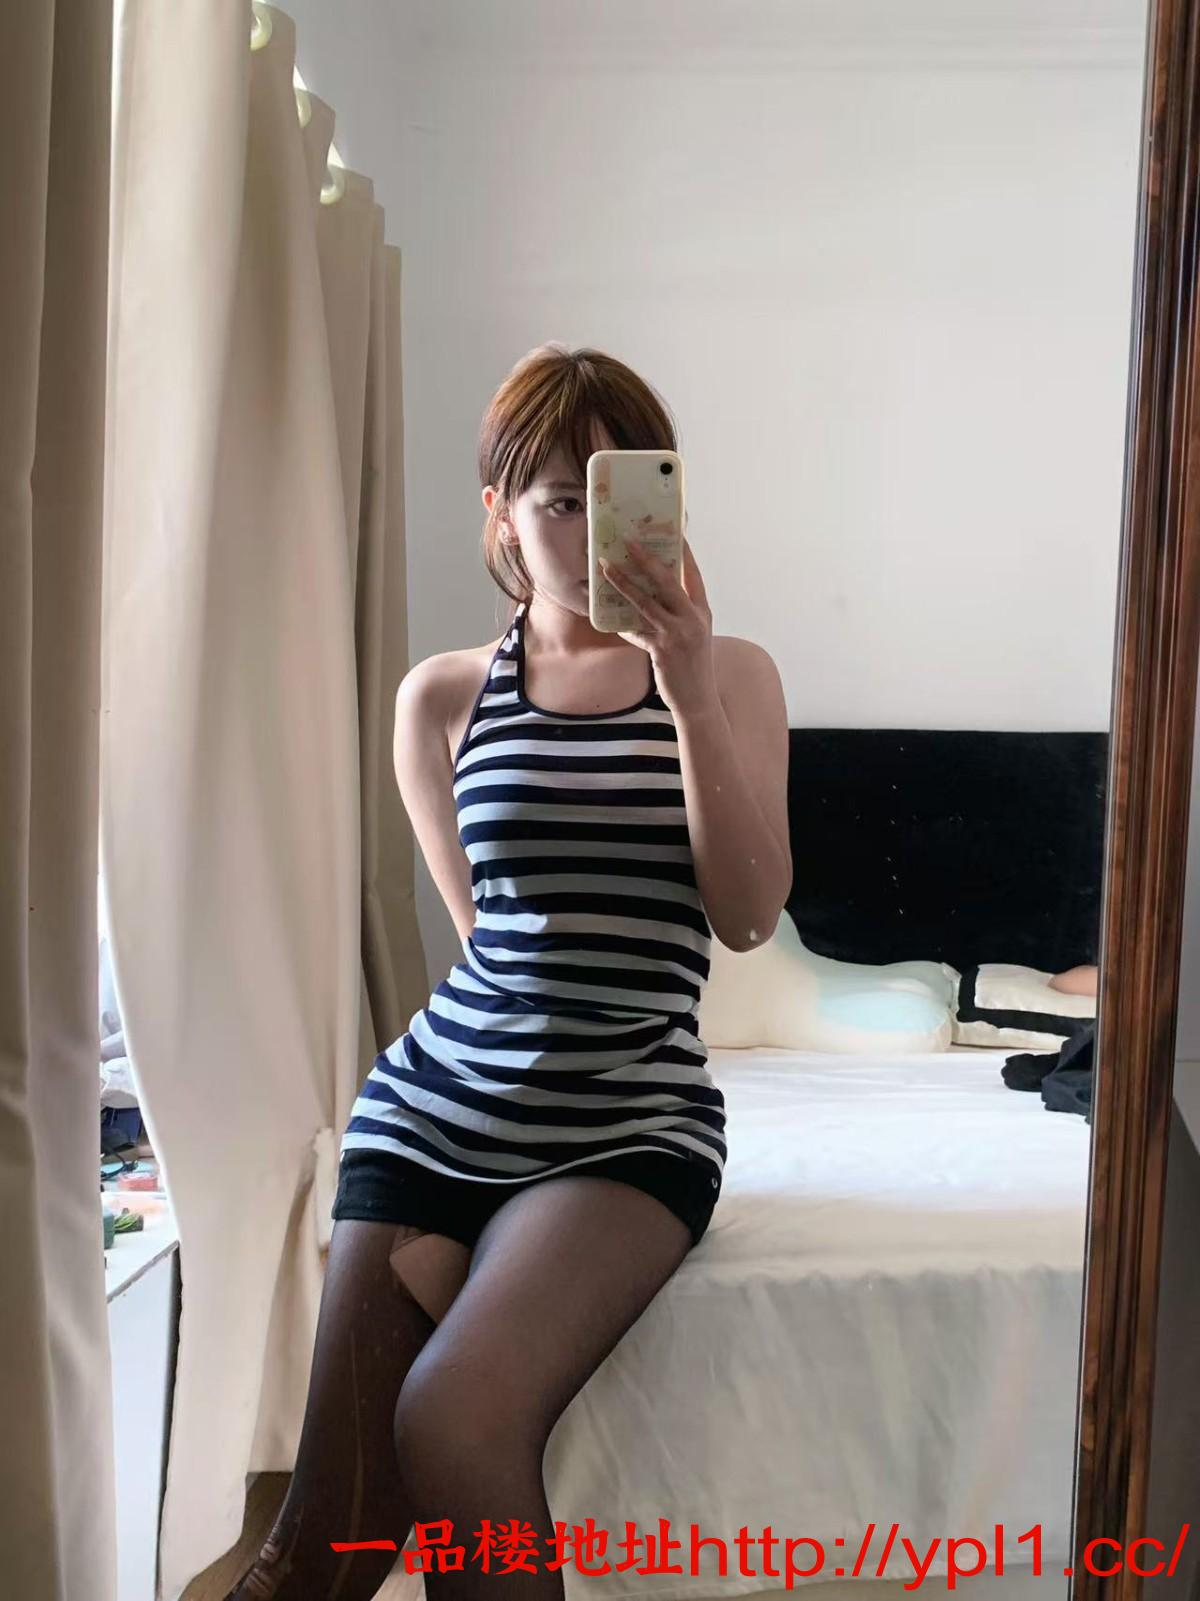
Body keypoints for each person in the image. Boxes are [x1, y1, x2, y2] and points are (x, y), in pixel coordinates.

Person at [226, 344, 792, 1601]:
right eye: (559, 501)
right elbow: (488, 936)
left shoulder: (733, 675)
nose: (592, 534)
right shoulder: (441, 698)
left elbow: (750, 917)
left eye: (623, 493)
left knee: (454, 1418)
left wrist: (689, 693)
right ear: (499, 513)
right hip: (435, 1107)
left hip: (625, 1119)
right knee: (311, 1545)